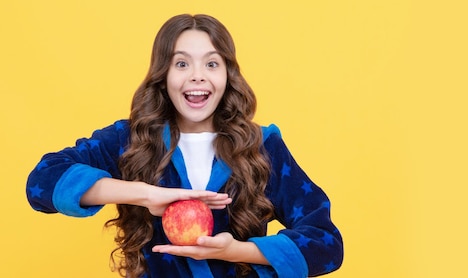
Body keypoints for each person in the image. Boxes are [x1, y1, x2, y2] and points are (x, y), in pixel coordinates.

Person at [26, 14, 343, 278]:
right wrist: (145, 194)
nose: (196, 76)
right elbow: (41, 182)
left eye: (211, 64)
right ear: (162, 75)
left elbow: (327, 244)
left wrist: (236, 251)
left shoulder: (262, 146)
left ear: (227, 75)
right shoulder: (130, 140)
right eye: (181, 64)